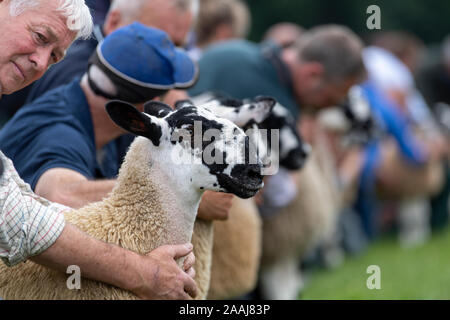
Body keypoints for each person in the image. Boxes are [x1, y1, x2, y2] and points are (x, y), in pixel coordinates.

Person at [0, 0, 197, 300]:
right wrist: (173, 195)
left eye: (54, 56)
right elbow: (40, 204)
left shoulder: (108, 130)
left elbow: (20, 196)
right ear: (148, 109)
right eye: (40, 36)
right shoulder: (61, 130)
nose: (41, 63)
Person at [0, 0, 199, 124]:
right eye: (40, 36)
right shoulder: (76, 76)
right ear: (113, 22)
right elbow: (58, 187)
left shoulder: (158, 87)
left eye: (177, 46)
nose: (42, 63)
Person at [189, 24, 366, 119]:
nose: (324, 109)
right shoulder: (279, 110)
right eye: (329, 99)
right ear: (313, 74)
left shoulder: (231, 49)